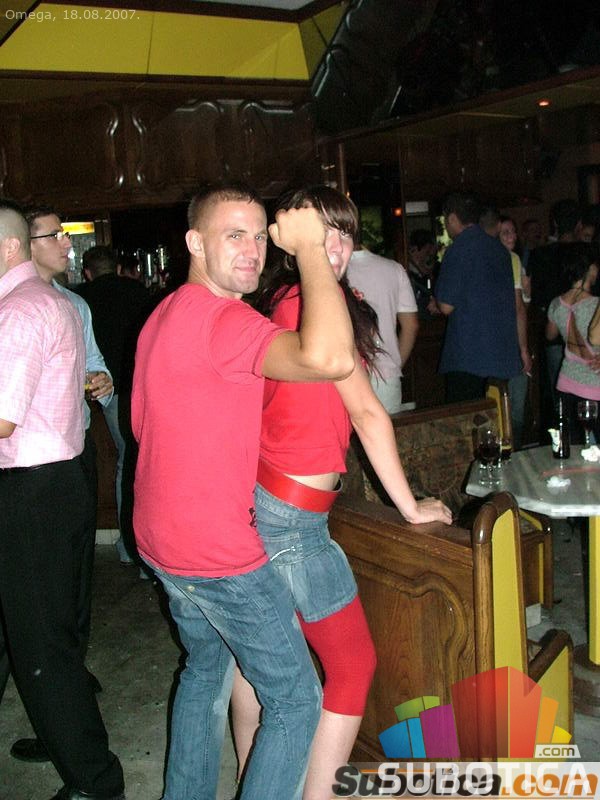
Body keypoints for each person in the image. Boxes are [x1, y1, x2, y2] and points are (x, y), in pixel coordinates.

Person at [131, 181, 356, 800]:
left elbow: (144, 425)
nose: (253, 249)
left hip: (159, 540)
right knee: (295, 698)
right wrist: (310, 251)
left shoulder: (165, 313)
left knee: (205, 668)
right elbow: (331, 358)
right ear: (194, 243)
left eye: (260, 236)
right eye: (234, 235)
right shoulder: (227, 319)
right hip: (216, 553)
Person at [229, 185, 452, 800]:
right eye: (320, 231)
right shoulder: (312, 301)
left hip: (264, 503)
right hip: (293, 521)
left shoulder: (282, 298)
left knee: (259, 665)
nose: (336, 244)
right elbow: (368, 415)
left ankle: (255, 780)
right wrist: (410, 506)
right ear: (293, 241)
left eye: (345, 231)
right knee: (353, 667)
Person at [0, 203, 125, 800]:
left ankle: (93, 779)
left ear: (6, 248)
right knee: (40, 628)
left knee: (42, 640)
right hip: (58, 480)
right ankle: (62, 733)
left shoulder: (20, 311)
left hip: (33, 488)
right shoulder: (50, 302)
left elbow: (2, 421)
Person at [76, 245, 149, 565]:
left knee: (127, 463)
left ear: (87, 272)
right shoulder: (138, 292)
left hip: (111, 389)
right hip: (143, 386)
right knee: (142, 461)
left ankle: (130, 549)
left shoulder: (79, 298)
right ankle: (143, 551)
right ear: (118, 268)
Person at [435, 192, 521, 403]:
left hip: (469, 354)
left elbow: (446, 306)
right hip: (502, 351)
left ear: (452, 218)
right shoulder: (500, 250)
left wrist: (436, 302)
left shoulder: (458, 248)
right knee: (498, 415)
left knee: (466, 416)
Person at [346, 241, 419, 413]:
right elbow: (411, 326)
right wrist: (393, 365)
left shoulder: (325, 269)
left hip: (341, 375)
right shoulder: (393, 269)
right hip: (385, 376)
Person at [546, 242, 600, 443]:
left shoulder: (556, 303)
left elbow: (550, 335)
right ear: (589, 268)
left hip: (566, 382)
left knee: (574, 447)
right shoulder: (596, 305)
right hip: (594, 385)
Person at [499, 215, 532, 450]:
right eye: (506, 233)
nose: (512, 236)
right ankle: (514, 453)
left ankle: (512, 452)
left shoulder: (514, 260)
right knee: (512, 407)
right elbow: (518, 308)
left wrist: (527, 293)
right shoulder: (510, 259)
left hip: (505, 340)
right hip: (509, 342)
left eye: (513, 232)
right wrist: (524, 349)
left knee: (510, 405)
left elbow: (522, 305)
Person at [406, 228, 440, 319]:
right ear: (414, 250)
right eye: (427, 252)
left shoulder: (432, 272)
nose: (428, 257)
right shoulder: (405, 274)